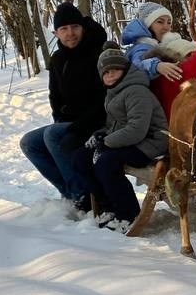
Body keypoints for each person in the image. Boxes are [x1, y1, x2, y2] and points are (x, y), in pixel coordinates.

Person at [19, 2, 106, 211]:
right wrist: (60, 120)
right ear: (56, 33)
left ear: (83, 28)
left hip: (100, 121)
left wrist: (77, 128)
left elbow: (107, 99)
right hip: (72, 123)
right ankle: (70, 192)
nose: (70, 33)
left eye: (75, 27)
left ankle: (83, 197)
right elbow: (55, 97)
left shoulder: (100, 53)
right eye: (64, 29)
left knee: (52, 135)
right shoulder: (58, 59)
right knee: (30, 142)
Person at [72, 44, 169, 230]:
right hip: (131, 141)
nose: (111, 75)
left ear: (125, 70)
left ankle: (128, 214)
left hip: (151, 142)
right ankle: (108, 206)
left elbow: (137, 129)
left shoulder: (136, 91)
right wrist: (101, 135)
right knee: (81, 158)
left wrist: (106, 142)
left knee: (106, 162)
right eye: (106, 72)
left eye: (115, 70)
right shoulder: (114, 92)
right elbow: (115, 125)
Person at [121, 1, 196, 119]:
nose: (166, 27)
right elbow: (136, 67)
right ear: (147, 25)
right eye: (160, 22)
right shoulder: (142, 47)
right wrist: (156, 66)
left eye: (169, 22)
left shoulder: (156, 46)